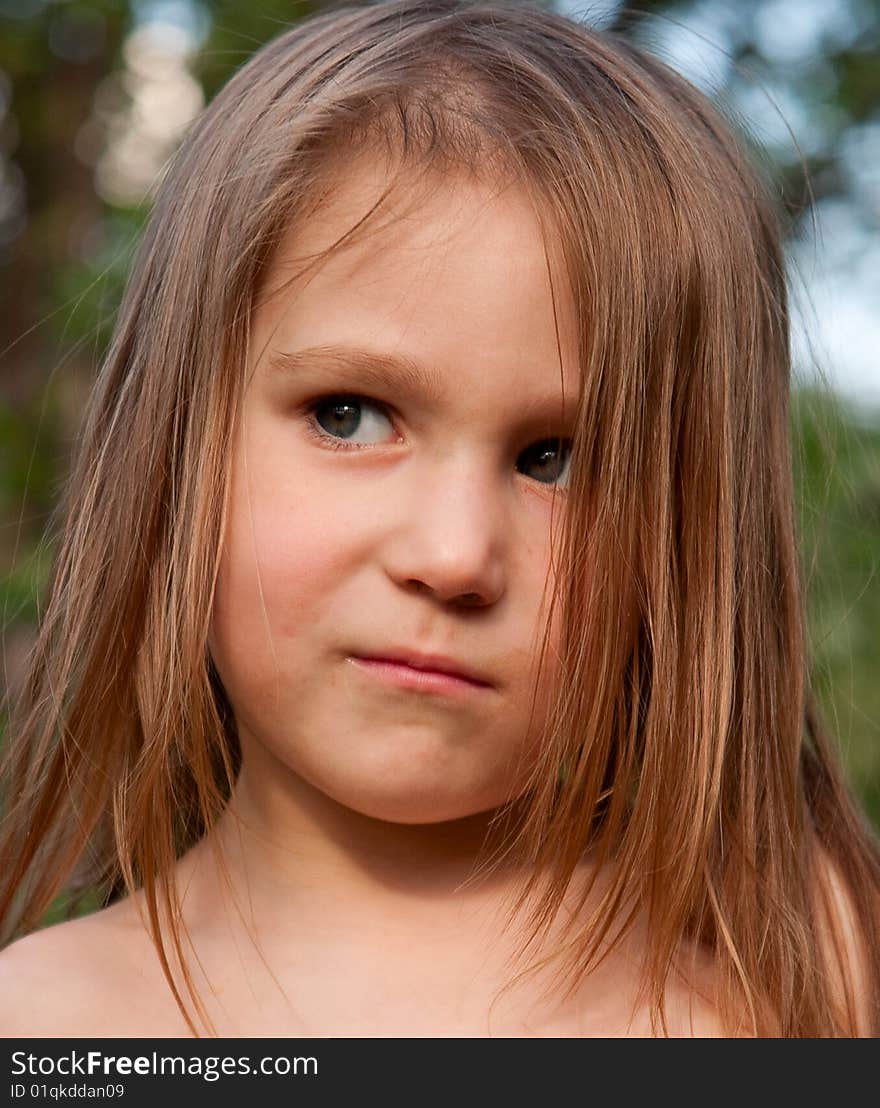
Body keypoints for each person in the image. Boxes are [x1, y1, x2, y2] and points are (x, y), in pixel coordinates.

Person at [0, 0, 877, 1038]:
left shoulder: (810, 969)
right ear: (172, 447)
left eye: (560, 461)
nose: (454, 555)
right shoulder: (45, 1024)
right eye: (349, 416)